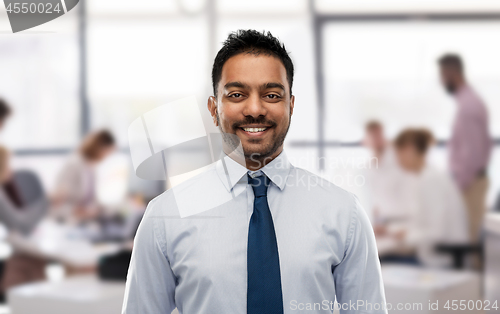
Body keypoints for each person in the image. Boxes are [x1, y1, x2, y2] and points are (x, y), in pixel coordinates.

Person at [122, 30, 386, 314]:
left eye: (271, 95)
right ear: (214, 109)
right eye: (237, 94)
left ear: (291, 106)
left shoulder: (344, 213)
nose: (255, 109)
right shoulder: (165, 216)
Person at [376, 128, 469, 268]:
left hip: (440, 262)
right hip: (434, 256)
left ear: (409, 149)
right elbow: (423, 225)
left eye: (397, 153)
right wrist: (392, 231)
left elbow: (437, 233)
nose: (397, 160)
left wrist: (403, 236)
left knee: (376, 263)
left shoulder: (431, 180)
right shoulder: (427, 177)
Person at [438, 54, 492, 243]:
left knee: (469, 242)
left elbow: (473, 154)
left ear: (452, 74)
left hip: (469, 184)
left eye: (442, 76)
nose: (441, 82)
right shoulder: (468, 101)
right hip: (470, 182)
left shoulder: (469, 106)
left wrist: (458, 185)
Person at [52, 129, 116, 224]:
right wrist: (77, 211)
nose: (106, 156)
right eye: (106, 152)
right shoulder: (73, 164)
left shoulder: (91, 167)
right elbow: (56, 204)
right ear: (98, 147)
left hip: (84, 221)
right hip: (66, 221)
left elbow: (92, 200)